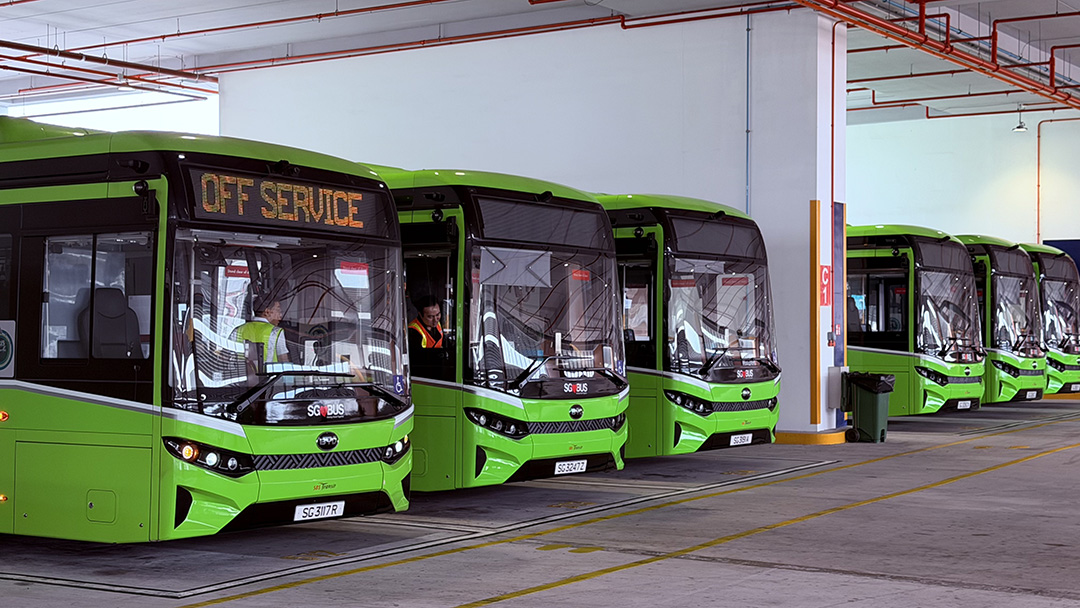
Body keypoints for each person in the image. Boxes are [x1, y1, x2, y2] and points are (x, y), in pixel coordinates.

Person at [233, 297, 290, 364]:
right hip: (269, 371)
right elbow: (283, 360)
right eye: (278, 310)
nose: (281, 315)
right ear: (267, 311)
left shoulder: (238, 330)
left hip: (243, 370)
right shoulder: (275, 331)